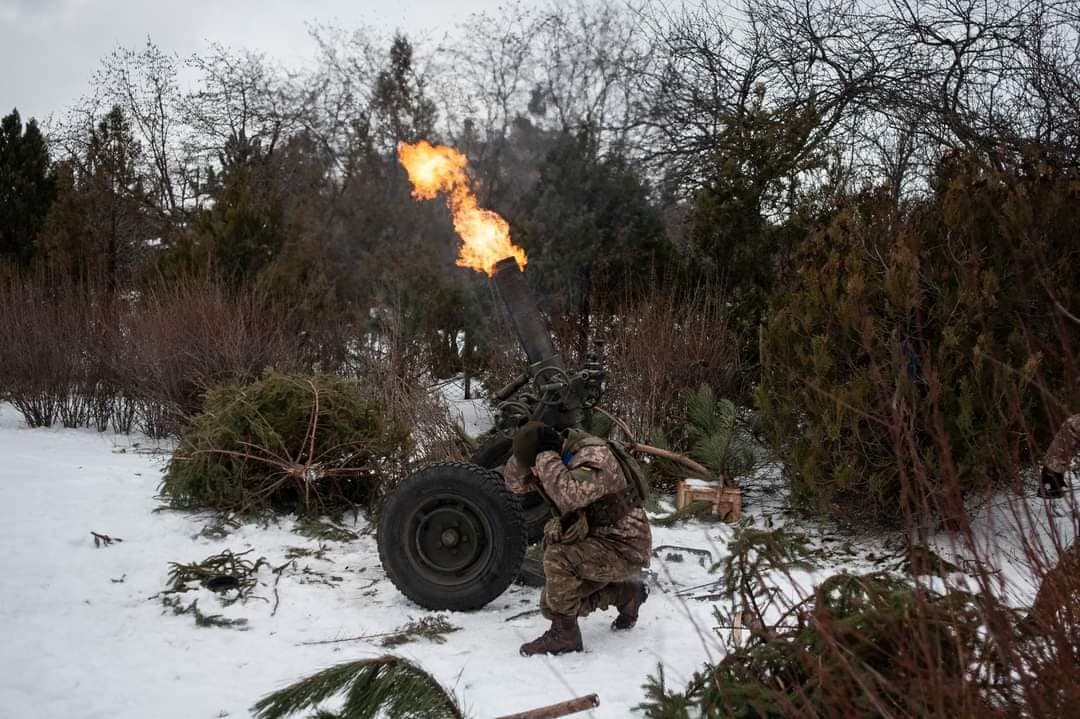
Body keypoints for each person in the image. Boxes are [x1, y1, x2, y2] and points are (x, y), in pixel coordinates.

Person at [503, 421, 652, 656]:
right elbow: (514, 483)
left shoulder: (594, 456)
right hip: (599, 542)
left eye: (536, 465)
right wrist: (533, 459)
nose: (534, 473)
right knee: (552, 605)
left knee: (557, 557)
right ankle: (626, 594)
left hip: (625, 548)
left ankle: (565, 636)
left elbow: (569, 497)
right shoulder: (562, 455)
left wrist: (544, 459)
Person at [1040, 414, 1078, 499]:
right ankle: (1050, 486)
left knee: (1060, 453)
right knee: (1059, 454)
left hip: (1071, 426)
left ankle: (1055, 483)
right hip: (1071, 429)